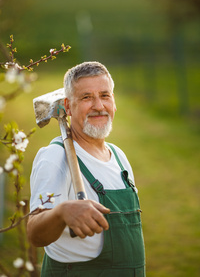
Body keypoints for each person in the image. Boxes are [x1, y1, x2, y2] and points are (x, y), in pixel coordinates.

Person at [27, 61, 146, 277]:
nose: (99, 106)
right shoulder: (54, 157)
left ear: (114, 102)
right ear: (68, 106)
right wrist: (61, 213)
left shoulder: (119, 157)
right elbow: (35, 232)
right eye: (86, 97)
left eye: (105, 95)